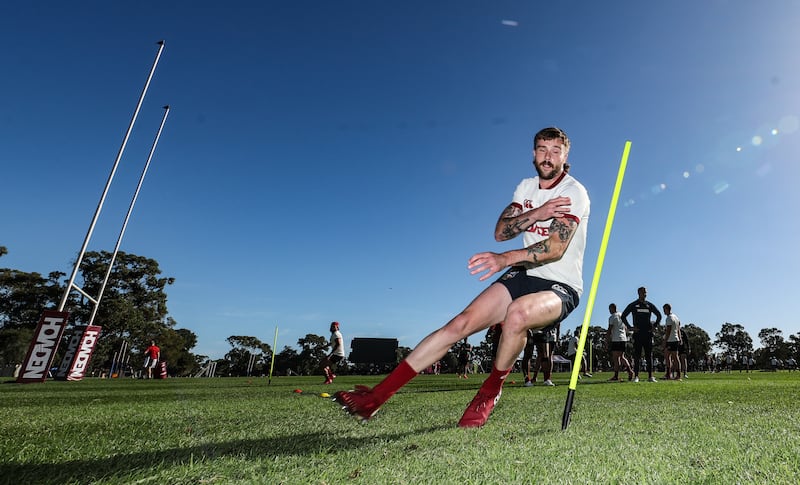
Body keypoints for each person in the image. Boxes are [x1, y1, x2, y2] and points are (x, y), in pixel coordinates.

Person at [334, 127, 590, 427]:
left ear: (565, 155)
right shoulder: (525, 187)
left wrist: (505, 259)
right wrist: (537, 213)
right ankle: (375, 399)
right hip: (524, 274)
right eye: (542, 149)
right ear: (533, 153)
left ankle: (490, 390)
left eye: (555, 150)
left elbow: (555, 249)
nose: (548, 157)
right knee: (460, 324)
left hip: (560, 285)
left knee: (517, 314)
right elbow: (500, 231)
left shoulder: (573, 191)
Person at [621, 287, 662, 382]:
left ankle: (650, 376)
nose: (645, 294)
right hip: (638, 334)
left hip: (648, 334)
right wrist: (630, 327)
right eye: (643, 292)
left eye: (646, 292)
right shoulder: (633, 305)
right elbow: (623, 316)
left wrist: (654, 326)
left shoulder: (649, 305)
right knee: (637, 355)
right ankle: (636, 376)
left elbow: (659, 315)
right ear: (638, 293)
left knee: (649, 355)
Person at [606, 303, 634, 381]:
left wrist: (607, 339)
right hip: (623, 338)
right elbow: (625, 327)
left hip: (616, 339)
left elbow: (609, 329)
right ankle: (629, 371)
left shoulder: (612, 317)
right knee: (622, 357)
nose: (609, 311)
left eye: (609, 309)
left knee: (616, 358)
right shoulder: (621, 315)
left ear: (612, 308)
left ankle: (617, 375)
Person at [662, 303, 682, 381]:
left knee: (672, 357)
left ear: (667, 309)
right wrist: (680, 338)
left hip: (671, 340)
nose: (663, 311)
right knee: (669, 356)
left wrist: (665, 341)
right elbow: (678, 329)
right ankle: (670, 374)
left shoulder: (669, 318)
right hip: (675, 339)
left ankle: (675, 374)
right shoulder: (676, 317)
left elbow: (668, 330)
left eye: (664, 310)